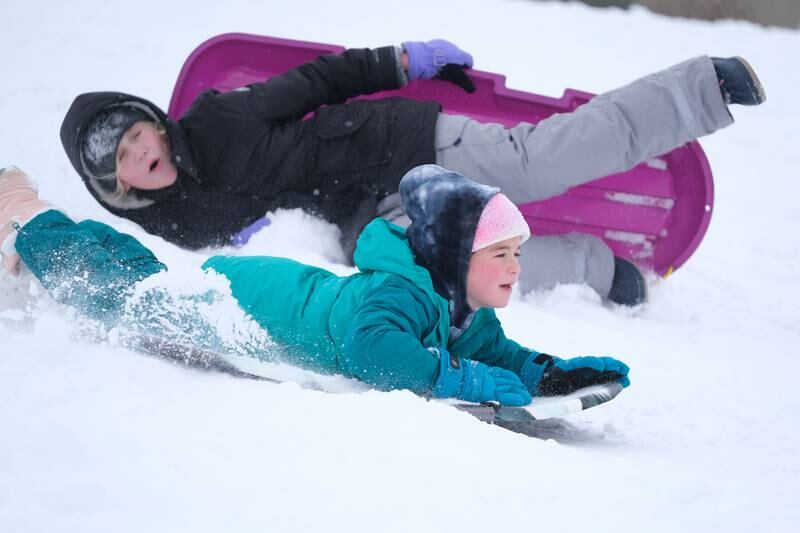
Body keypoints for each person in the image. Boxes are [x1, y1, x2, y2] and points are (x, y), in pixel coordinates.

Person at [59, 39, 765, 306]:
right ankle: (588, 266)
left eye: (133, 134)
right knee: (452, 278)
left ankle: (701, 88)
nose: (136, 155)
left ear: (151, 120)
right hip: (369, 220)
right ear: (114, 189)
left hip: (400, 146)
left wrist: (402, 62)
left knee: (541, 162)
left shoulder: (217, 119)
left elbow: (316, 80)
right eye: (117, 162)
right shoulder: (174, 228)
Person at [1, 164, 630, 405]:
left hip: (271, 289)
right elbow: (374, 352)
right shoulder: (402, 294)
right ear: (455, 256)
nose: (517, 268)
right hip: (246, 303)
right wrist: (457, 380)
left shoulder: (461, 305)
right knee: (126, 301)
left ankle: (41, 237)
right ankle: (22, 216)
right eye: (502, 253)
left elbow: (494, 353)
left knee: (149, 282)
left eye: (517, 252)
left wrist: (542, 374)